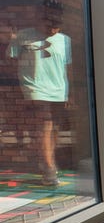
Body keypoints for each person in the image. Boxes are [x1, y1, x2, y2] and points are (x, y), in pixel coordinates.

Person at [7, 23, 71, 186]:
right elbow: (11, 61)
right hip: (35, 88)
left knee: (55, 127)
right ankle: (49, 169)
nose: (53, 30)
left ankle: (47, 160)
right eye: (51, 25)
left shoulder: (65, 40)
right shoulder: (24, 35)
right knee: (46, 126)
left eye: (57, 27)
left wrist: (69, 93)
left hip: (58, 89)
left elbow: (66, 68)